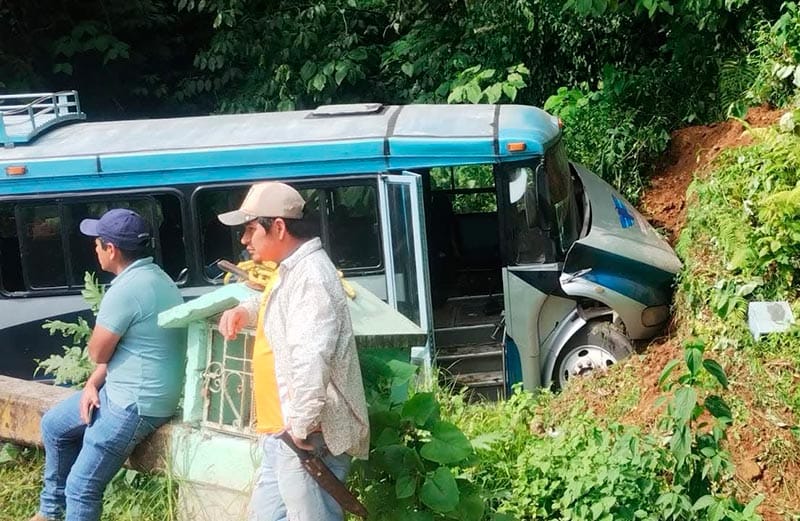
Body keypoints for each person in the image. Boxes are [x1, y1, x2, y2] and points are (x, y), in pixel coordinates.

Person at [216, 182, 369, 521]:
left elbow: (312, 357)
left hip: (304, 434)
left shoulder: (312, 275)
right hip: (281, 431)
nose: (244, 240)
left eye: (250, 229)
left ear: (279, 227)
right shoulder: (292, 269)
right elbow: (283, 307)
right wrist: (247, 311)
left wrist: (301, 426)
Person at [30, 208, 185, 521]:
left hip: (134, 403)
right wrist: (91, 384)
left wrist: (98, 369)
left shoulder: (125, 291)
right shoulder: (156, 278)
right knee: (54, 425)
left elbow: (98, 353)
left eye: (98, 243)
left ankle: (59, 508)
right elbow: (128, 349)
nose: (94, 248)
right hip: (127, 389)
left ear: (111, 249)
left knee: (82, 486)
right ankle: (49, 512)